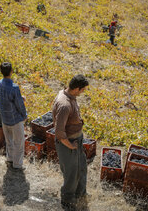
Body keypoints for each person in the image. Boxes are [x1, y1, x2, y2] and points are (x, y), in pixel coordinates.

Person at [52, 74, 89, 210]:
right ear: (76, 89)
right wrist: (70, 145)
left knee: (81, 168)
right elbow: (60, 132)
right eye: (83, 90)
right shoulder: (65, 105)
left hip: (76, 141)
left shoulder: (68, 95)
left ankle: (80, 195)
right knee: (71, 174)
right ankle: (67, 201)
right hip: (69, 143)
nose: (83, 92)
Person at [0, 62, 27, 171]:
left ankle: (10, 159)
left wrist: (19, 97)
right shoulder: (14, 87)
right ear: (11, 71)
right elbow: (19, 105)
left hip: (5, 119)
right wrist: (24, 115)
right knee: (18, 143)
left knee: (9, 141)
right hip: (15, 120)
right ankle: (17, 165)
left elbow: (5, 99)